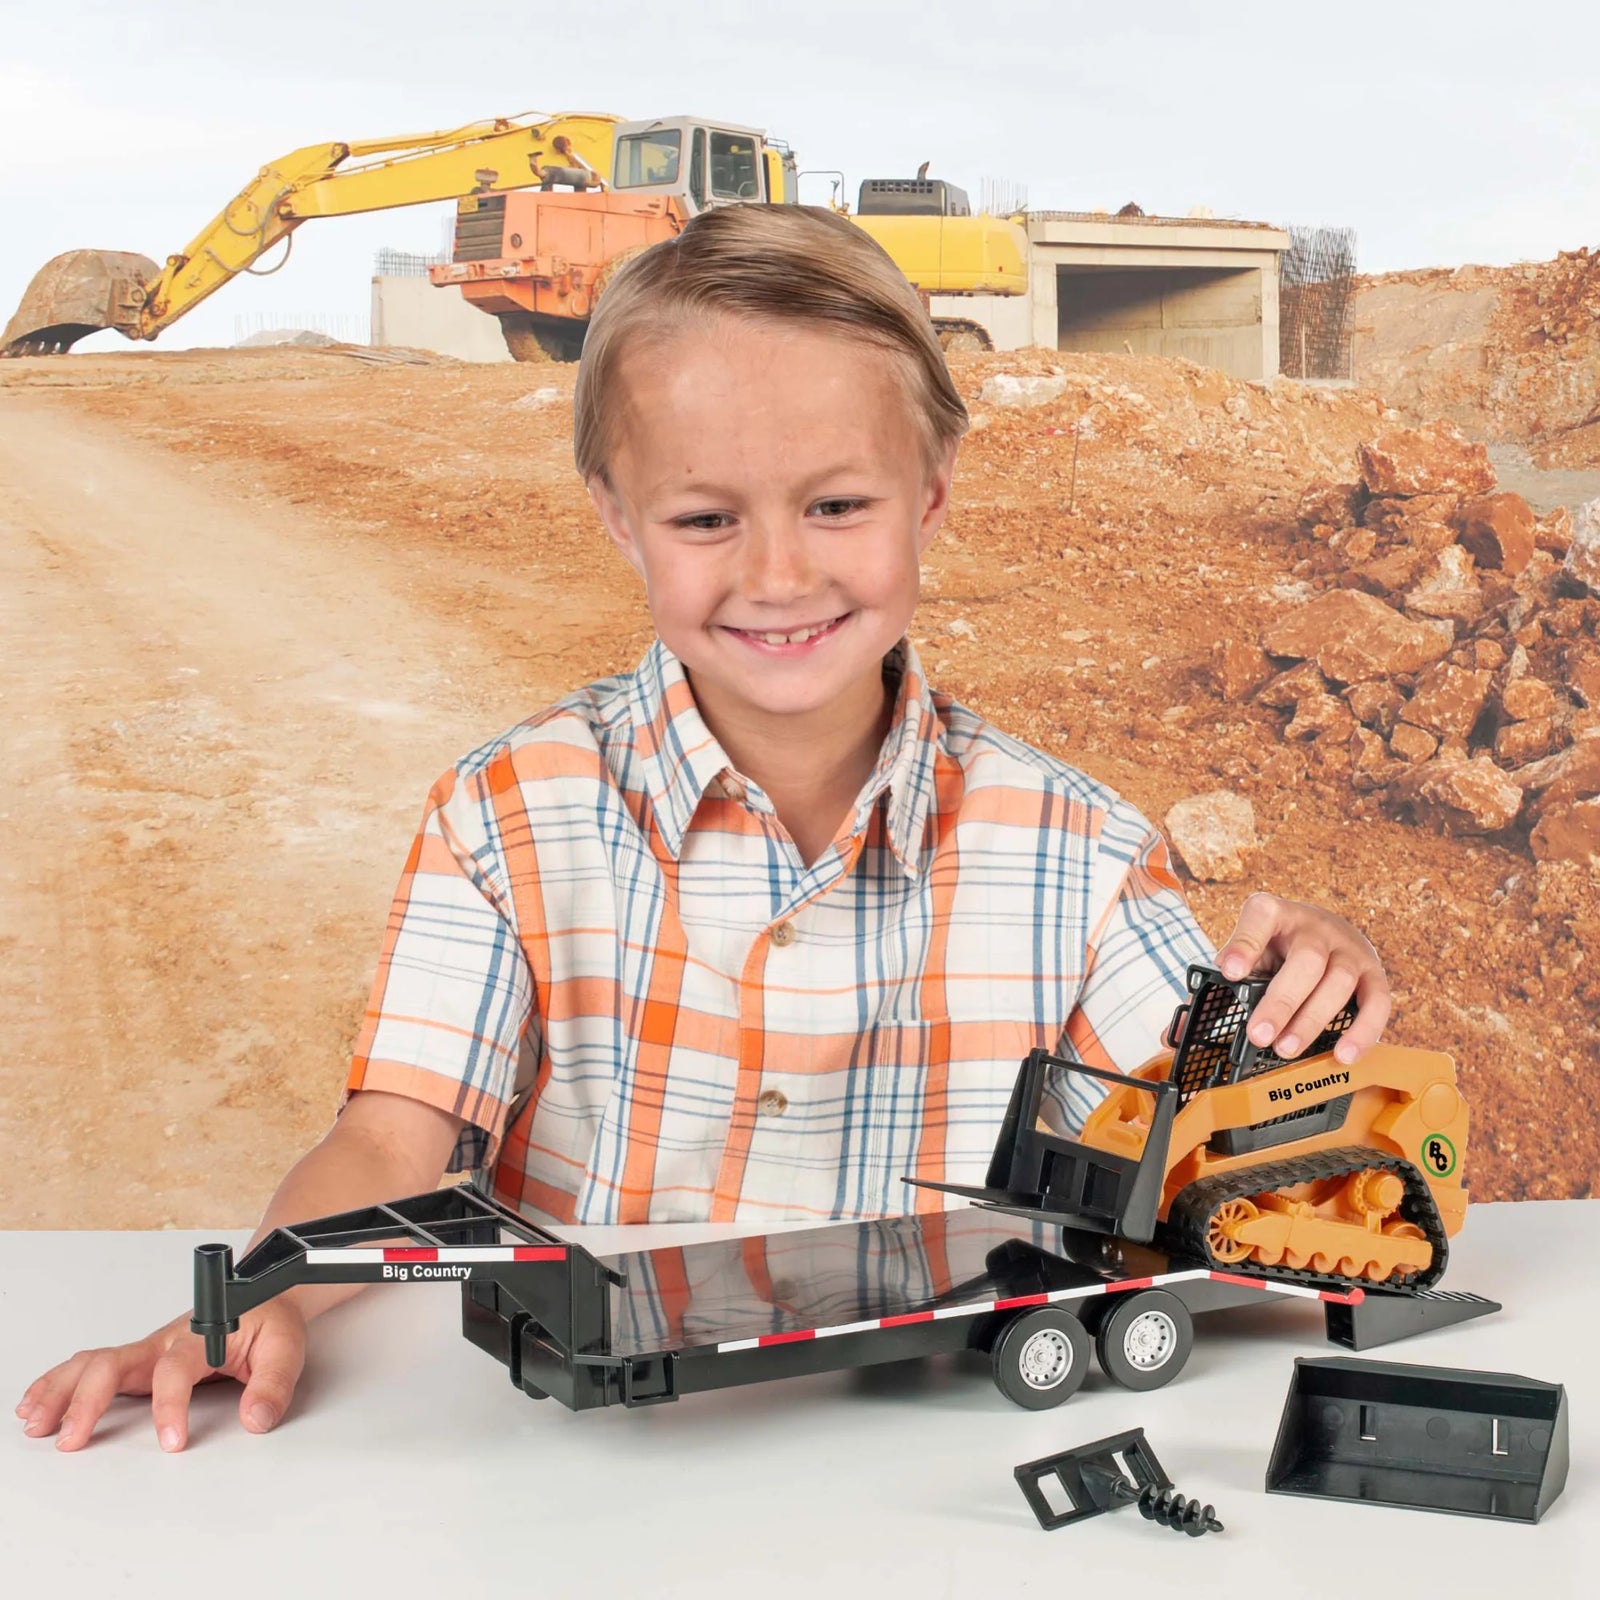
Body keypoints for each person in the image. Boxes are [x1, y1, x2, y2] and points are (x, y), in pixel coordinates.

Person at [16, 204, 1389, 1454]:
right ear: (617, 516)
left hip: (937, 1473)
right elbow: (393, 1145)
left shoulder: (1078, 855)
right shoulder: (510, 817)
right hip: (578, 1470)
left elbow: (1212, 1126)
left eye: (838, 504)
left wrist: (1305, 983)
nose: (779, 574)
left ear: (931, 492)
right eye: (706, 516)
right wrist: (265, 1298)